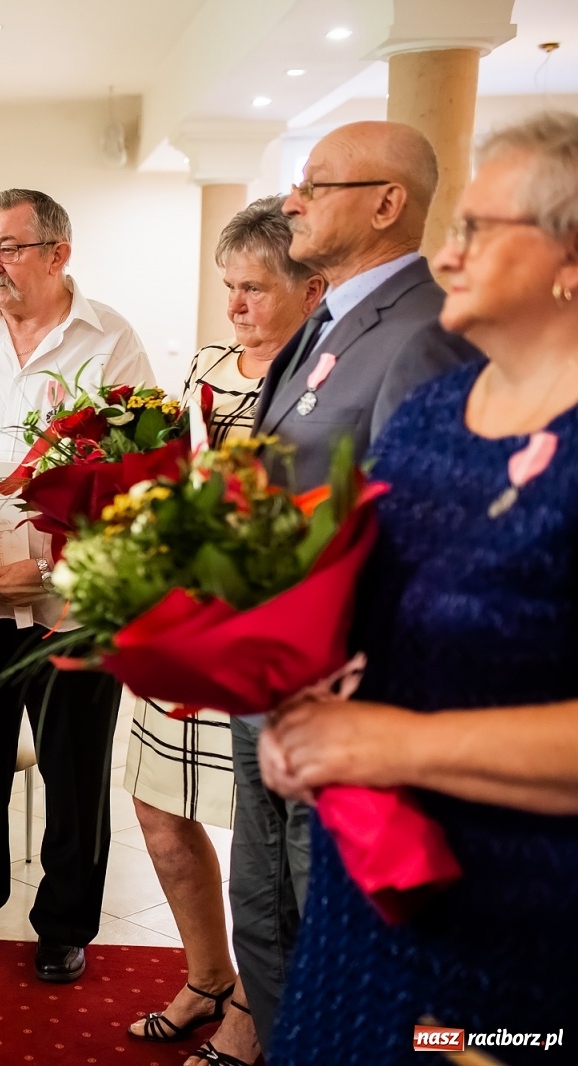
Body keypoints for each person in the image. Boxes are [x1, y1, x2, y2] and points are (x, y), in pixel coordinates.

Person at [263, 109, 578, 1065]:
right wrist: (299, 698)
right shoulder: (440, 408)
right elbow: (375, 607)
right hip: (381, 884)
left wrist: (394, 739)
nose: (447, 256)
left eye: (479, 230)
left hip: (528, 933)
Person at [228, 121, 480, 1060]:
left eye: (315, 184)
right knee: (263, 898)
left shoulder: (419, 332)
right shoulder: (332, 319)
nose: (292, 200)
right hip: (269, 673)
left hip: (341, 688)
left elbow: (415, 531)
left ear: (386, 204)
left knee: (327, 913)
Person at [0, 189, 155, 982]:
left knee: (73, 773)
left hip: (71, 607)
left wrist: (49, 570)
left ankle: (66, 923)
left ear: (58, 254)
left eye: (9, 248)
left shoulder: (111, 340)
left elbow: (141, 484)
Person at [123, 197, 323, 1064]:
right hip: (187, 618)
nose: (235, 306)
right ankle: (205, 973)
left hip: (270, 630)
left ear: (310, 288)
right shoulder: (207, 363)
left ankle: (251, 1002)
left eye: (253, 288)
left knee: (261, 835)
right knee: (159, 813)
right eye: (228, 286)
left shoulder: (329, 370)